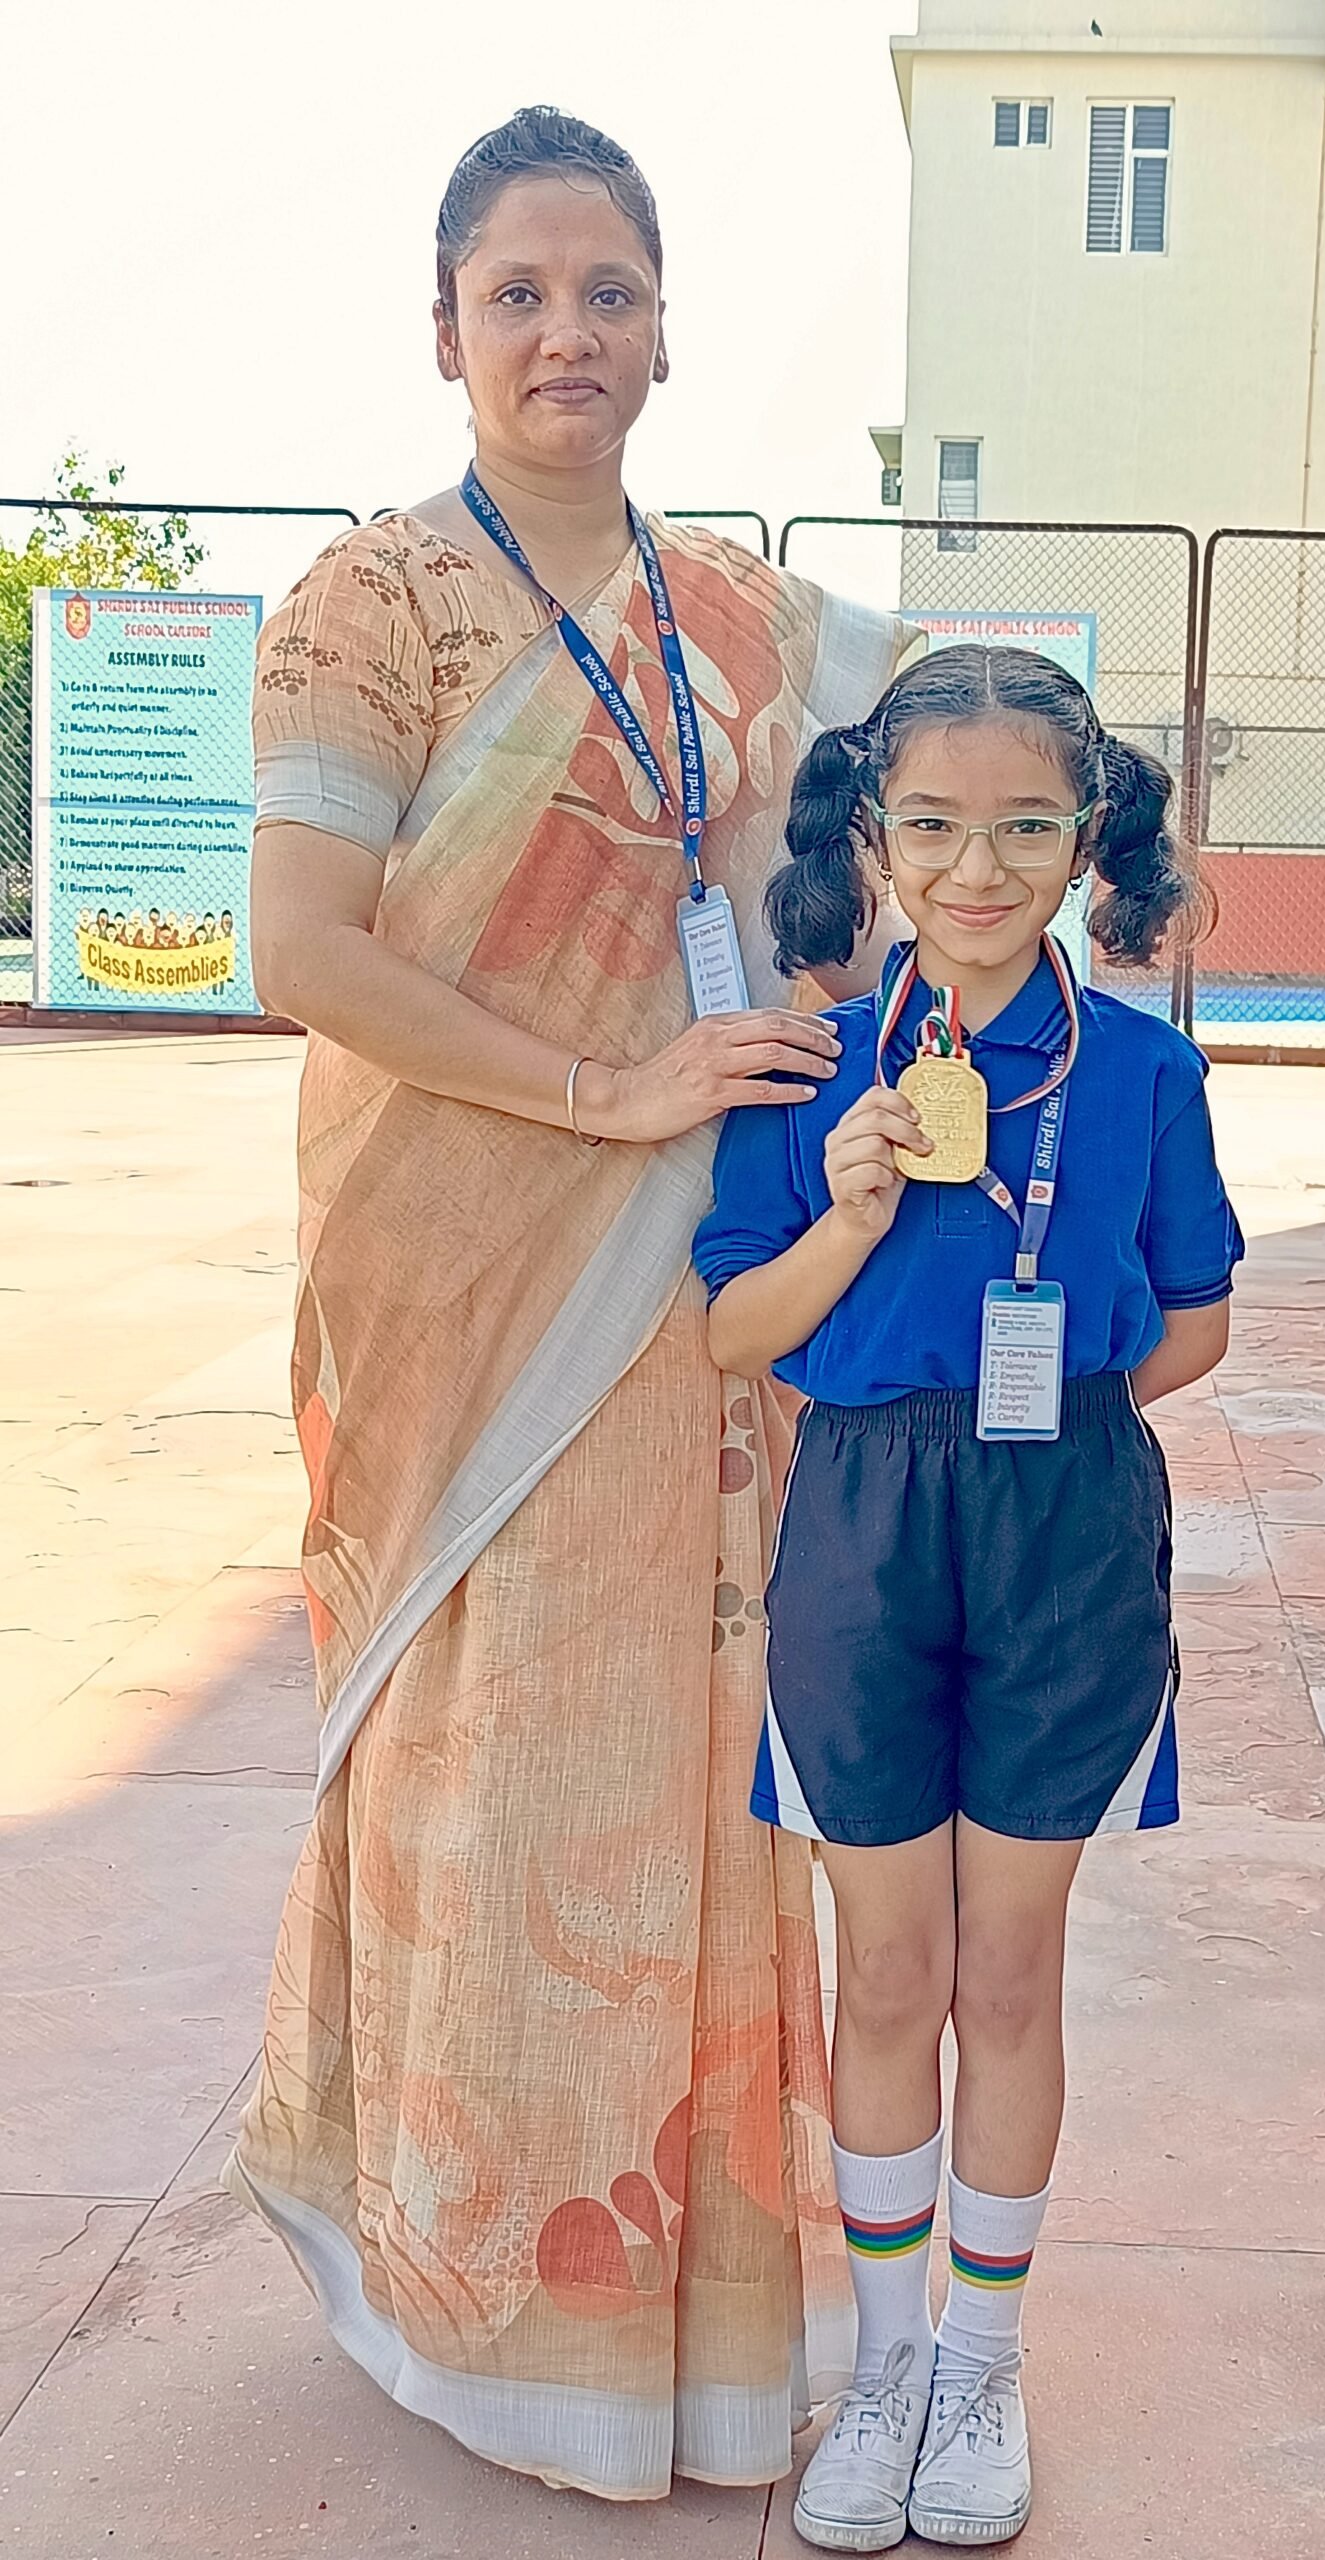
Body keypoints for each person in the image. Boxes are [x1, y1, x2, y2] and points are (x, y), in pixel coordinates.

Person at [225, 104, 910, 2503]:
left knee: (696, 1755)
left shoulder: (742, 620)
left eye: (607, 290)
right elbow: (300, 947)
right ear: (444, 330)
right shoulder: (369, 606)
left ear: (664, 330)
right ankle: (484, 2308)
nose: (565, 333)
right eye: (516, 292)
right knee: (496, 1759)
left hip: (707, 1297)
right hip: (469, 1286)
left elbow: (936, 807)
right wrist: (605, 1090)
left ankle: (705, 2330)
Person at [694, 647, 1244, 2550]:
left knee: (1006, 1969)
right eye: (930, 825)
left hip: (1064, 1526)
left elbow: (1194, 1323)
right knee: (887, 1970)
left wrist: (1046, 1408)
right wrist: (853, 1214)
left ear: (1085, 842)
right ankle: (886, 2365)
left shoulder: (1145, 1074)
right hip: (858, 1523)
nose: (976, 867)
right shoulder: (806, 1072)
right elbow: (735, 1332)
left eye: (1023, 827)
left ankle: (983, 2358)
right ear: (872, 836)